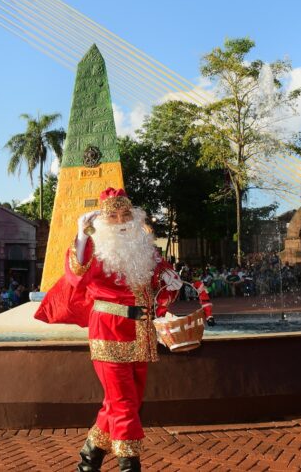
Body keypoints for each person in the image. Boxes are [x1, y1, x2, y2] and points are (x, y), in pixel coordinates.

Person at [35, 188, 188, 472]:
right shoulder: (96, 248)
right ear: (102, 222)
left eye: (125, 214)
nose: (120, 221)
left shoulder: (145, 250)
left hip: (140, 335)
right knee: (125, 405)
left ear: (134, 217)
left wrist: (170, 281)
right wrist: (81, 234)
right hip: (109, 332)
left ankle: (88, 461)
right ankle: (130, 467)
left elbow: (159, 288)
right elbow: (77, 273)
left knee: (119, 404)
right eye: (113, 216)